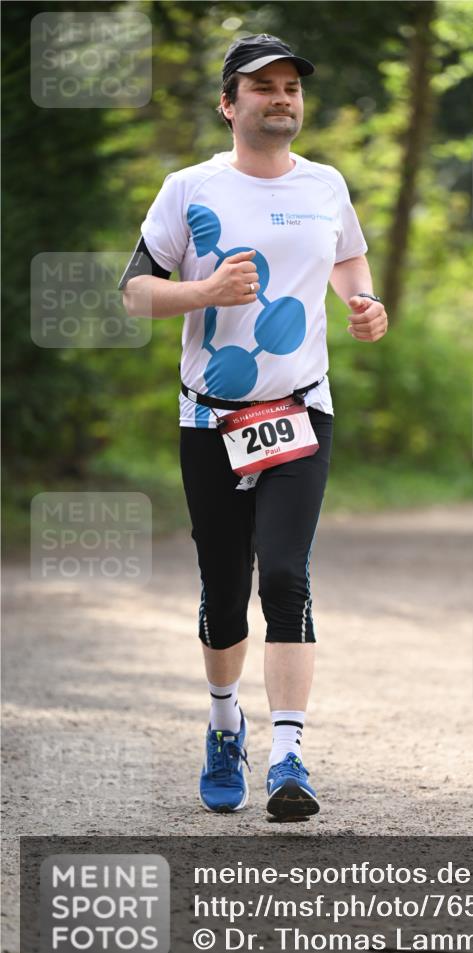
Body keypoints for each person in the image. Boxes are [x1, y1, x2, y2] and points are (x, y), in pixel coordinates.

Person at [120, 33, 388, 820]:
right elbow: (136, 292)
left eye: (290, 88)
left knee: (285, 575)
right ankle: (222, 721)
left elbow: (346, 259)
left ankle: (289, 755)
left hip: (301, 408)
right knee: (224, 590)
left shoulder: (326, 184)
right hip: (212, 417)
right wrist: (203, 294)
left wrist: (361, 303)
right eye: (262, 87)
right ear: (228, 104)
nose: (280, 98)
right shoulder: (189, 188)